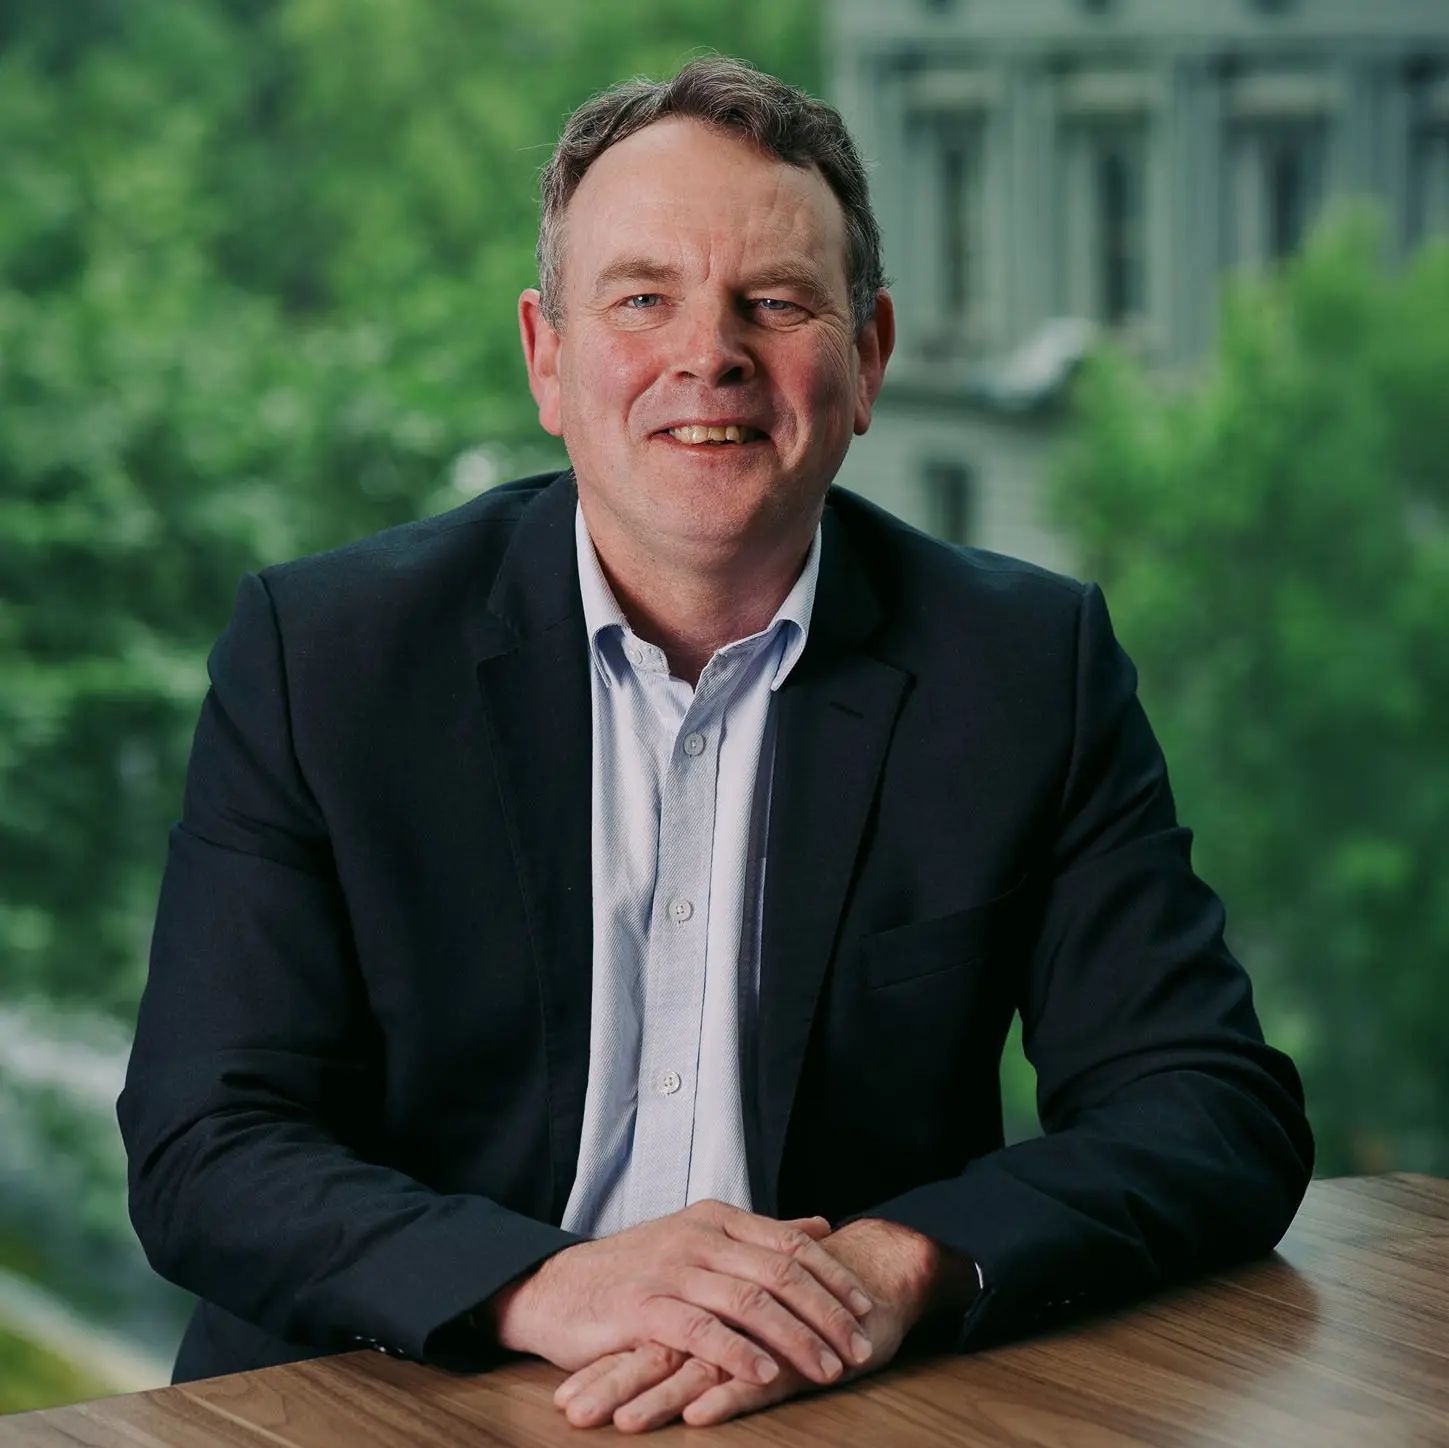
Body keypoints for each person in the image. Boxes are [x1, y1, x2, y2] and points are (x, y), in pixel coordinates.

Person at [118, 57, 1313, 1433]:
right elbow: (209, 1144)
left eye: (778, 302)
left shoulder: (1025, 669)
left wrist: (893, 1264)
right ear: (545, 358)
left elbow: (1212, 1109)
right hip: (379, 1397)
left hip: (828, 1405)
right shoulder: (322, 657)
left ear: (866, 361)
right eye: (642, 298)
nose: (710, 356)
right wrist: (548, 1285)